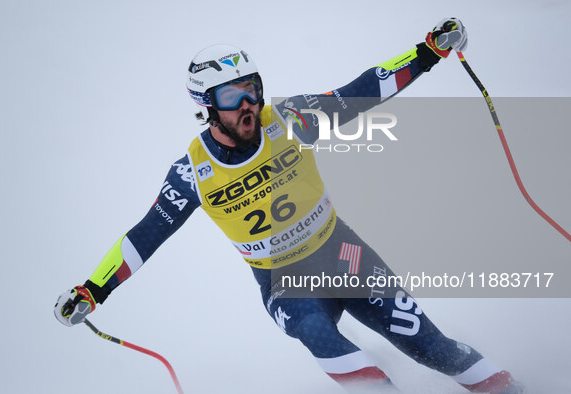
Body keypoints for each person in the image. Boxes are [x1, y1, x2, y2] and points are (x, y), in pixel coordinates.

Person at [55, 18, 523, 393]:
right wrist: (94, 290)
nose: (248, 105)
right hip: (284, 280)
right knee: (322, 339)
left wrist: (428, 52)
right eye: (231, 96)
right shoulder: (191, 172)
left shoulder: (290, 119)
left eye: (252, 88)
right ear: (206, 105)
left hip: (344, 254)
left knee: (430, 346)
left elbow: (361, 92)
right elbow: (143, 237)